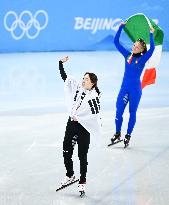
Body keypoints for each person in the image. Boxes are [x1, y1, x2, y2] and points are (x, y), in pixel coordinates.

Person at [58, 56, 101, 193]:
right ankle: (70, 175)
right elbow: (65, 78)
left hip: (84, 128)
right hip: (71, 125)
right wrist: (60, 63)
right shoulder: (78, 87)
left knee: (82, 156)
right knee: (66, 151)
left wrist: (82, 118)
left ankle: (82, 180)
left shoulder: (94, 98)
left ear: (93, 83)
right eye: (83, 78)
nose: (83, 80)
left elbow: (94, 116)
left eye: (86, 79)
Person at [111, 22, 155, 148]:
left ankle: (128, 135)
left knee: (132, 112)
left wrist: (151, 34)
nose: (134, 47)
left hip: (135, 90)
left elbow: (151, 50)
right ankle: (118, 133)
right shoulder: (127, 56)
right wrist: (121, 28)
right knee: (119, 110)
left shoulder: (142, 59)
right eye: (134, 45)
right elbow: (116, 42)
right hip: (124, 88)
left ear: (142, 50)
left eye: (137, 46)